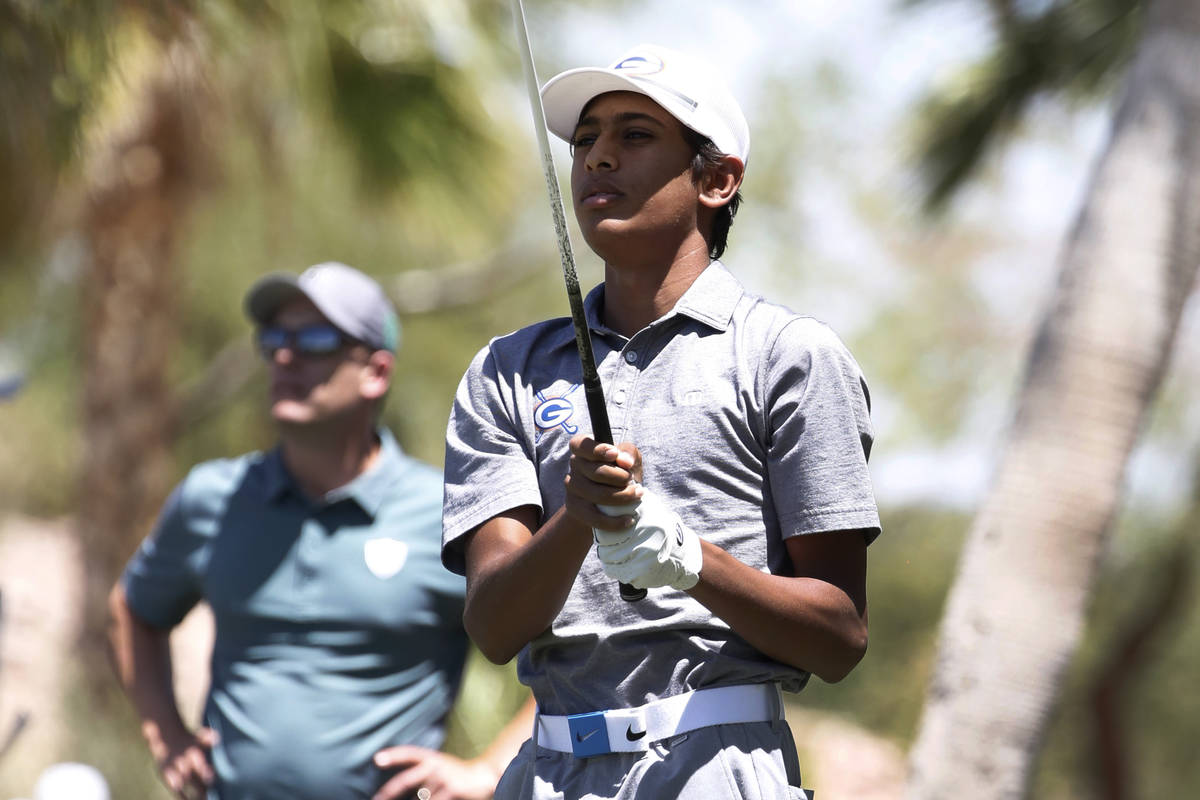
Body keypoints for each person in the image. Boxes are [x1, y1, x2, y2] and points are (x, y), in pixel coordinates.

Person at [441, 44, 881, 799]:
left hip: (717, 766)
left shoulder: (787, 356)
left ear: (716, 179)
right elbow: (493, 626)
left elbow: (839, 636)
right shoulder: (505, 370)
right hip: (546, 772)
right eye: (585, 141)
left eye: (635, 135)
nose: (598, 158)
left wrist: (686, 559)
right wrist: (580, 517)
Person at [107, 262, 534, 800]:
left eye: (314, 339)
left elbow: (578, 645)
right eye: (274, 338)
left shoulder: (447, 513)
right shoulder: (211, 497)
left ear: (376, 371)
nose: (285, 356)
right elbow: (134, 609)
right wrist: (166, 735)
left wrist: (490, 768)